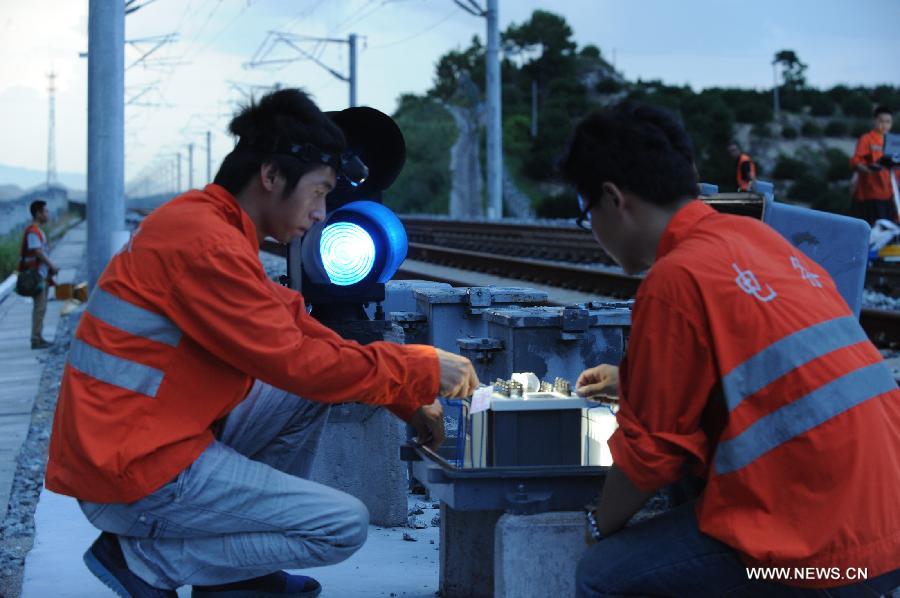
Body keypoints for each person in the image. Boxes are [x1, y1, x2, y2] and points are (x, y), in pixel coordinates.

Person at [45, 88, 480, 598]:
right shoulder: (206, 245)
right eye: (318, 193)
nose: (322, 213)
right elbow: (300, 361)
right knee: (342, 525)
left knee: (306, 388)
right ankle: (143, 561)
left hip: (141, 438)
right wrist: (421, 368)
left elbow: (300, 330)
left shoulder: (210, 225)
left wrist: (407, 402)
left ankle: (237, 575)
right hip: (132, 473)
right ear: (271, 177)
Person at [560, 103, 900, 596]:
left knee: (602, 576)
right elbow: (749, 366)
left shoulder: (673, 278)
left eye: (586, 215)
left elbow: (651, 455)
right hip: (886, 519)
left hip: (828, 559)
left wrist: (595, 528)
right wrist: (628, 379)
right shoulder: (757, 238)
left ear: (614, 199)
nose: (592, 230)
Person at [19, 199, 58, 349]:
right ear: (38, 213)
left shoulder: (37, 230)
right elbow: (37, 252)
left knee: (41, 307)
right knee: (39, 307)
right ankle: (36, 339)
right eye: (46, 212)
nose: (48, 214)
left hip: (40, 273)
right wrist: (51, 265)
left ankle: (38, 336)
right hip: (35, 275)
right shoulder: (33, 232)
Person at [849, 105, 896, 225]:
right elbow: (856, 161)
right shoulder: (867, 139)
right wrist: (868, 170)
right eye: (881, 121)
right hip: (869, 195)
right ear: (875, 121)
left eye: (888, 122)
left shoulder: (893, 142)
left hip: (889, 195)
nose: (884, 125)